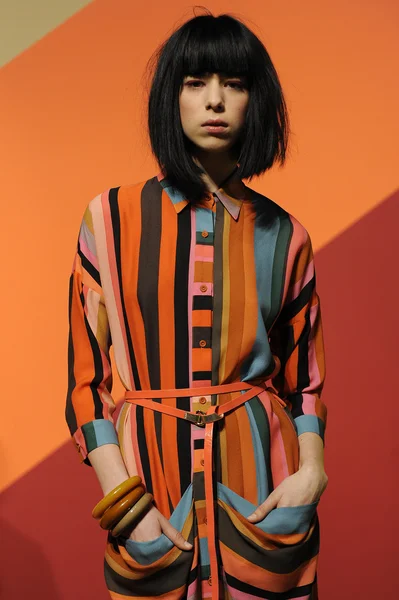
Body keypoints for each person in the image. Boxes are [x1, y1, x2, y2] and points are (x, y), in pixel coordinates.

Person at [65, 10, 328, 600]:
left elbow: (305, 383)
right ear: (171, 97)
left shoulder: (289, 237)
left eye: (234, 84)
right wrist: (125, 506)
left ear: (255, 102)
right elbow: (87, 382)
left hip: (263, 487)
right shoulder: (108, 221)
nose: (216, 101)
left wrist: (310, 473)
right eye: (196, 83)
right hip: (149, 491)